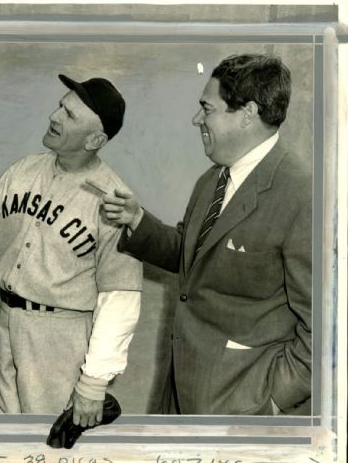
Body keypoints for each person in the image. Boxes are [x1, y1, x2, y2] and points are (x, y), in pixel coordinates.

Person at [0, 75, 143, 426]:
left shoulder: (113, 201)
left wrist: (93, 382)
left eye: (69, 115)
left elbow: (119, 299)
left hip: (60, 340)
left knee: (49, 451)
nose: (54, 116)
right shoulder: (24, 169)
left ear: (96, 139)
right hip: (6, 322)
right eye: (60, 105)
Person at [102, 54, 311, 415]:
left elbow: (328, 328)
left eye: (207, 108)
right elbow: (194, 256)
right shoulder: (213, 179)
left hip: (243, 404)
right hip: (182, 389)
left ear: (247, 113)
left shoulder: (302, 195)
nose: (196, 119)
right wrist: (138, 221)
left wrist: (275, 398)